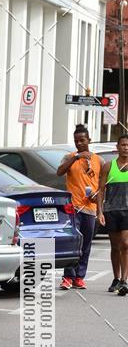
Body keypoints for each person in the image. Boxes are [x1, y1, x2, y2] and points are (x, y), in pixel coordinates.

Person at [56, 124, 102, 290]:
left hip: (90, 208)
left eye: (82, 140)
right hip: (73, 208)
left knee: (86, 244)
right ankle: (68, 276)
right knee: (72, 241)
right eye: (76, 141)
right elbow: (59, 172)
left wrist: (97, 197)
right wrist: (75, 157)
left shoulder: (99, 160)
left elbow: (101, 185)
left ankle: (79, 277)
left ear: (89, 140)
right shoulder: (69, 157)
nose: (79, 144)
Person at [97, 134, 128, 296]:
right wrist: (100, 211)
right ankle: (116, 278)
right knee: (115, 247)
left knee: (125, 244)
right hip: (111, 211)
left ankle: (124, 280)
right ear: (117, 147)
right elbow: (100, 190)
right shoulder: (108, 166)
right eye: (123, 145)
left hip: (127, 211)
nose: (126, 148)